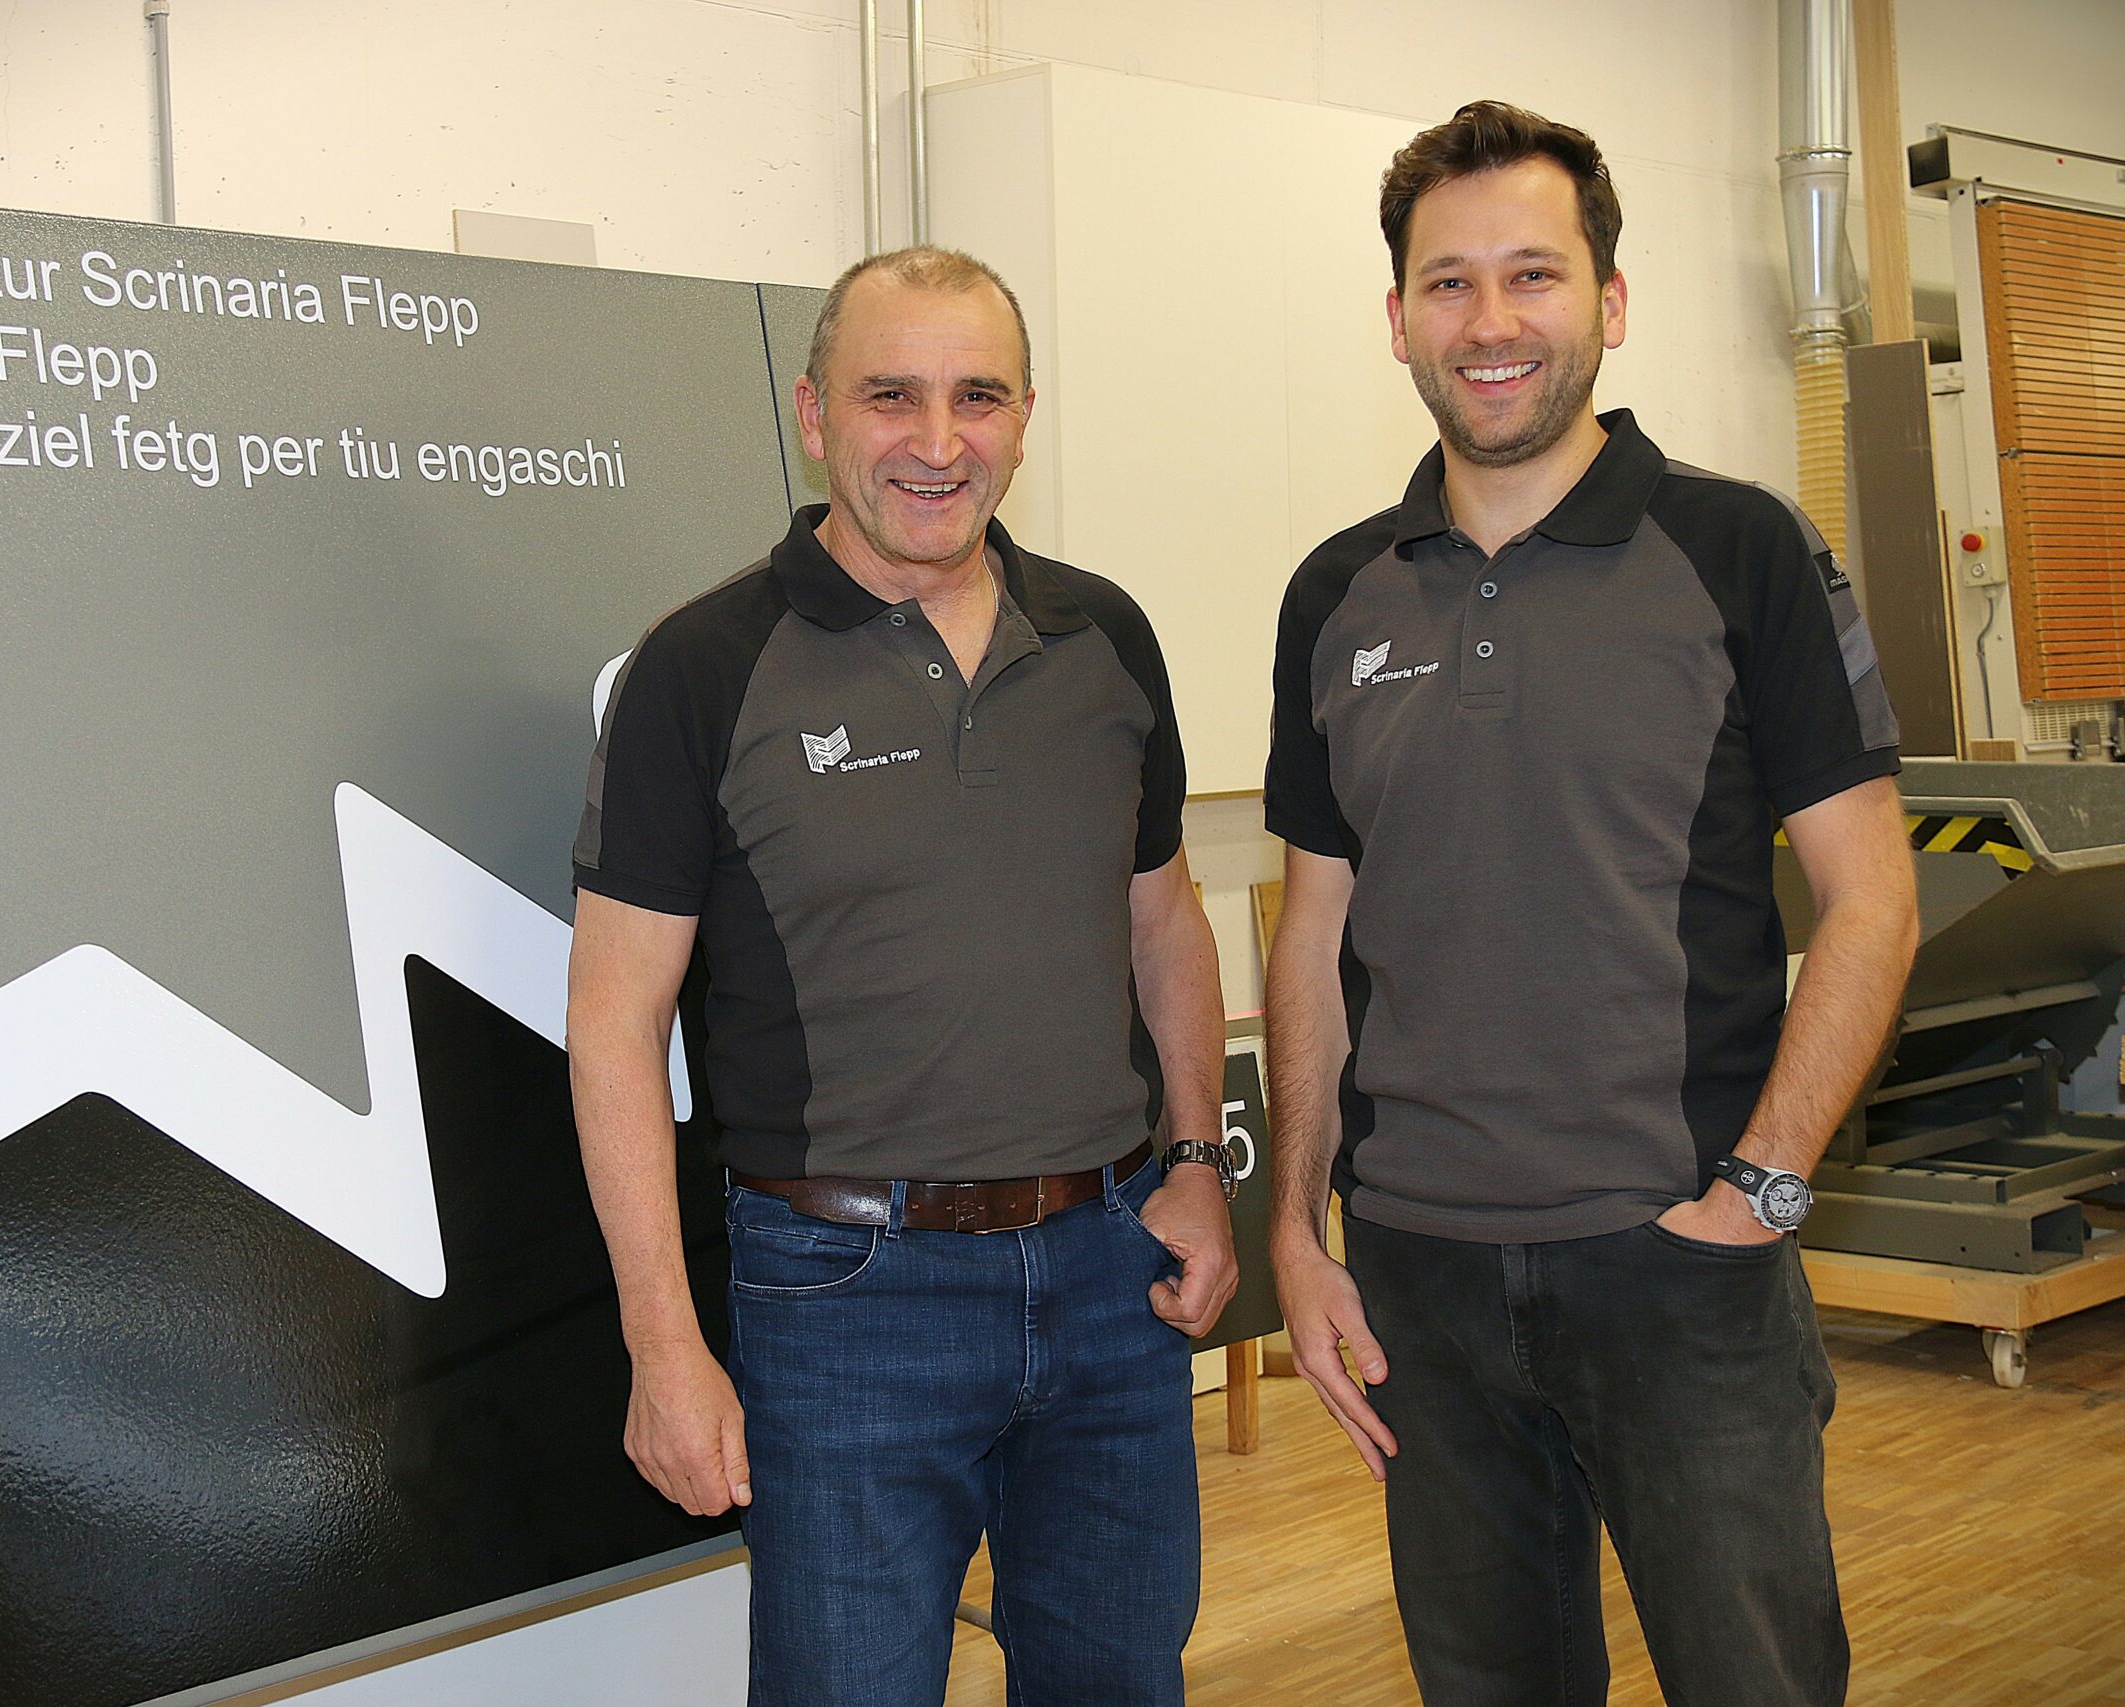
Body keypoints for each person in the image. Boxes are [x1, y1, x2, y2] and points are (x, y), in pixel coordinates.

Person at [1262, 101, 1921, 1707]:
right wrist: (1295, 1225)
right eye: (1449, 282)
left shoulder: (1742, 550)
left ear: (1609, 304)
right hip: (1420, 1274)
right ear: (1399, 318)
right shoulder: (1336, 594)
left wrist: (1763, 1190)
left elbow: (1872, 898)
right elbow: (1312, 932)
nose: (1490, 321)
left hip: (1679, 1264)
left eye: (1534, 275)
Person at [567, 245, 1238, 1707]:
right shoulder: (704, 665)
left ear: (1025, 418)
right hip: (843, 1297)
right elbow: (613, 1026)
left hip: (1111, 1272)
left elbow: (1166, 923)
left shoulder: (1106, 638)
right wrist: (663, 1343)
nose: (939, 442)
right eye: (892, 396)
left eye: (978, 397)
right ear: (816, 415)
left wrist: (1196, 1163)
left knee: (1122, 1682)